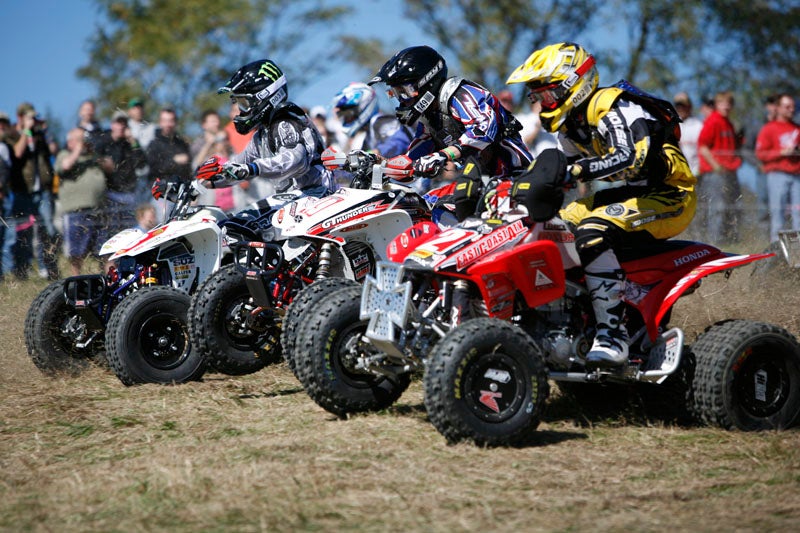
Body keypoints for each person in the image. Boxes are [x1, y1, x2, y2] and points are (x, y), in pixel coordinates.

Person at [506, 42, 696, 367]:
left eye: (547, 95)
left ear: (571, 85)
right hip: (630, 195)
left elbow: (630, 158)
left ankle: (613, 334)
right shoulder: (569, 127)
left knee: (591, 231)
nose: (542, 104)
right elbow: (560, 173)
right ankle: (567, 320)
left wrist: (575, 170)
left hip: (670, 194)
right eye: (537, 97)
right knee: (553, 228)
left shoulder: (611, 105)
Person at [368, 45, 533, 220]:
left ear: (426, 81)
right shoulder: (429, 118)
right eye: (396, 93)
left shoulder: (460, 94)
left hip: (514, 179)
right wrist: (380, 166)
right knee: (418, 207)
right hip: (479, 184)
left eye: (405, 91)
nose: (402, 100)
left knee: (442, 211)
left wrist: (442, 155)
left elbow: (483, 129)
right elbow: (412, 162)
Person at [193, 59, 335, 201]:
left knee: (242, 220)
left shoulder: (285, 123)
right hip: (295, 201)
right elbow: (239, 164)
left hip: (317, 197)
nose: (240, 111)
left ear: (264, 97)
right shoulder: (261, 135)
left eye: (244, 103)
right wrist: (203, 183)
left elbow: (294, 159)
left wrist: (253, 168)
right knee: (236, 221)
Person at [9, 102, 60, 280]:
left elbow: (54, 150)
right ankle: (22, 271)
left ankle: (49, 268)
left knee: (48, 229)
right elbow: (16, 153)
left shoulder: (41, 136)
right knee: (23, 232)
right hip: (23, 191)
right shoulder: (13, 134)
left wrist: (45, 131)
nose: (33, 121)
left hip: (43, 191)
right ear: (20, 117)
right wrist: (26, 131)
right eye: (30, 117)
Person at [55, 128, 107, 276]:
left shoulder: (93, 157)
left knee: (104, 248)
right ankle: (76, 282)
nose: (84, 142)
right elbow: (65, 166)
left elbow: (111, 167)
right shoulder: (64, 154)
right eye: (79, 139)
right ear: (70, 141)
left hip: (98, 210)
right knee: (76, 253)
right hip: (76, 211)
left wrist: (95, 153)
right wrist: (78, 148)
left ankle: (109, 280)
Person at [697, 91, 742, 245]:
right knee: (716, 209)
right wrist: (716, 166)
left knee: (731, 208)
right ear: (716, 104)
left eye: (729, 103)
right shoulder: (713, 121)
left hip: (729, 172)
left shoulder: (728, 123)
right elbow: (702, 146)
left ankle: (727, 242)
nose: (727, 106)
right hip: (715, 174)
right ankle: (714, 243)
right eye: (723, 102)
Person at [96, 110, 148, 240]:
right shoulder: (104, 140)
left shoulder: (130, 143)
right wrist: (103, 162)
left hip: (129, 193)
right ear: (112, 124)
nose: (121, 127)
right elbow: (93, 158)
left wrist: (133, 141)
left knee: (129, 231)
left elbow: (141, 163)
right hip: (109, 194)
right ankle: (109, 260)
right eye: (118, 123)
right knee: (110, 231)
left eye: (124, 124)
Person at [755, 93, 800, 244]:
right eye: (787, 107)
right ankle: (777, 248)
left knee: (798, 213)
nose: (791, 110)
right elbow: (760, 154)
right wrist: (781, 152)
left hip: (796, 175)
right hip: (777, 175)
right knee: (778, 213)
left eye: (793, 107)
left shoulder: (797, 128)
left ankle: (797, 250)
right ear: (779, 108)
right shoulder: (769, 128)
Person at [332, 82, 412, 159]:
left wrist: (375, 153)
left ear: (362, 106)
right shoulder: (368, 136)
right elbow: (362, 155)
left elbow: (400, 141)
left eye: (348, 115)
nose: (347, 119)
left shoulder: (381, 122)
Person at [147, 107, 192, 184]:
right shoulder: (154, 145)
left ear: (175, 122)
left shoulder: (182, 144)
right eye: (165, 121)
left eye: (171, 121)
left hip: (180, 188)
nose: (168, 124)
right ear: (160, 122)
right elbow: (153, 169)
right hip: (160, 189)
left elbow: (189, 168)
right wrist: (174, 161)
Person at [673, 92, 703, 177]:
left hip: (696, 174)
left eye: (683, 106)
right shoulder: (672, 126)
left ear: (689, 106)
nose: (680, 108)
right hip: (677, 175)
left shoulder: (698, 126)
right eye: (678, 106)